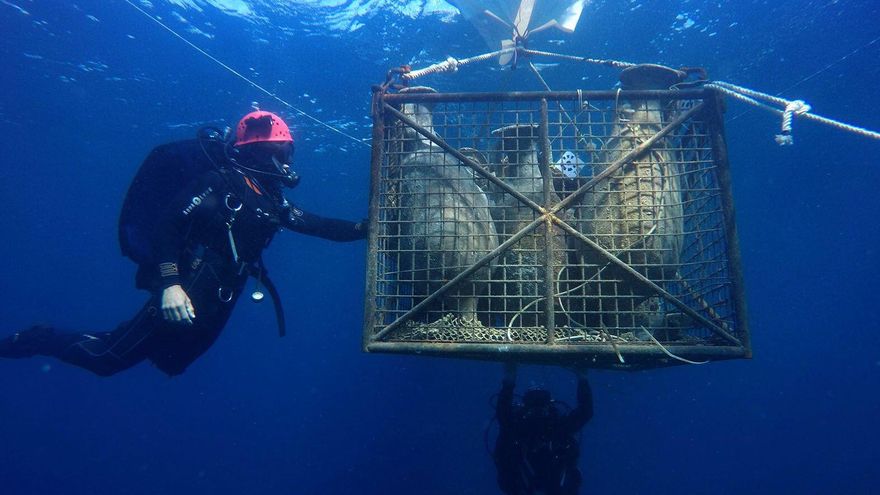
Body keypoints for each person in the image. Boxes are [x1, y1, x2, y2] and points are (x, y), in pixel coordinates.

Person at [0, 111, 367, 376]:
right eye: (285, 152)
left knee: (172, 363)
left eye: (289, 153)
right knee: (107, 359)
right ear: (265, 152)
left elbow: (314, 224)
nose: (289, 161)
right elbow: (168, 228)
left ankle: (78, 339)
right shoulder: (220, 182)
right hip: (189, 285)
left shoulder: (270, 199)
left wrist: (364, 228)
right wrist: (170, 285)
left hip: (223, 292)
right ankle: (38, 339)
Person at [493, 363, 593, 495]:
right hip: (526, 485)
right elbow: (585, 412)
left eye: (541, 405)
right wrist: (582, 378)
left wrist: (509, 379)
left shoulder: (555, 427)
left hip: (551, 484)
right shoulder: (520, 427)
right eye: (533, 405)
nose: (538, 410)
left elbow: (585, 413)